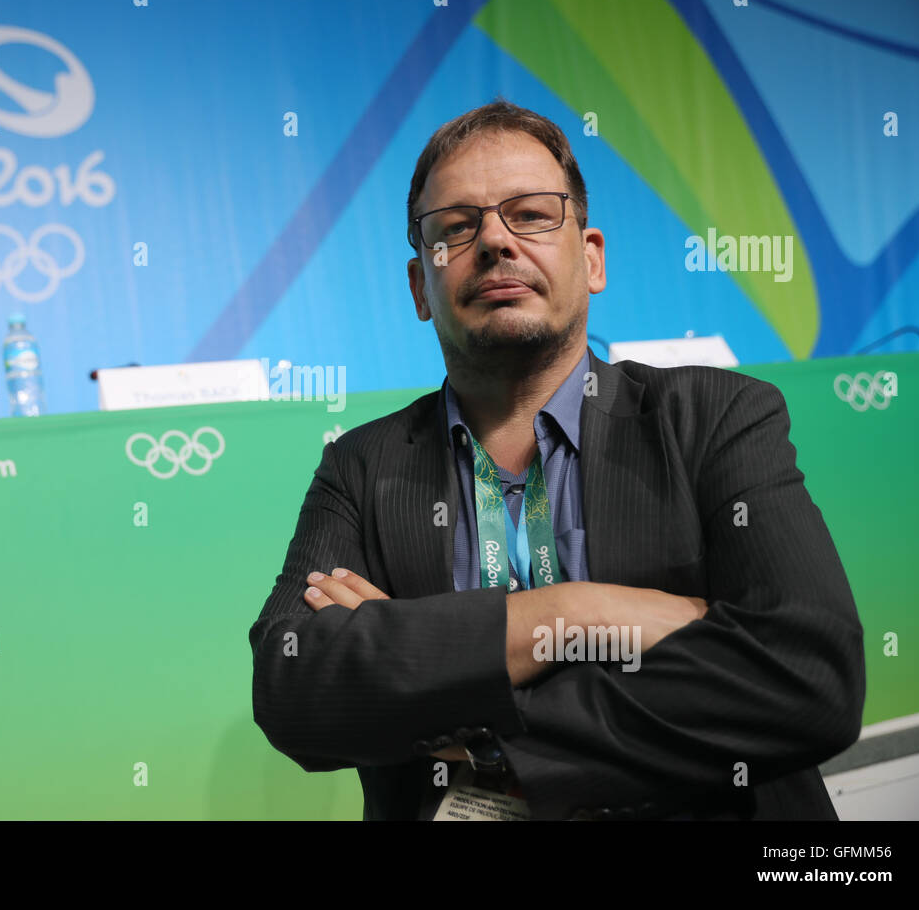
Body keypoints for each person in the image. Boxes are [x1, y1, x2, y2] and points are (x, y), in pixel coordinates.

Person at [248, 99, 866, 820]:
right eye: (455, 228)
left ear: (592, 257)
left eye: (532, 214)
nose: (495, 242)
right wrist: (579, 612)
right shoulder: (359, 466)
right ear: (421, 286)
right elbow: (291, 685)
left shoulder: (716, 417)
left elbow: (808, 678)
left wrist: (460, 701)